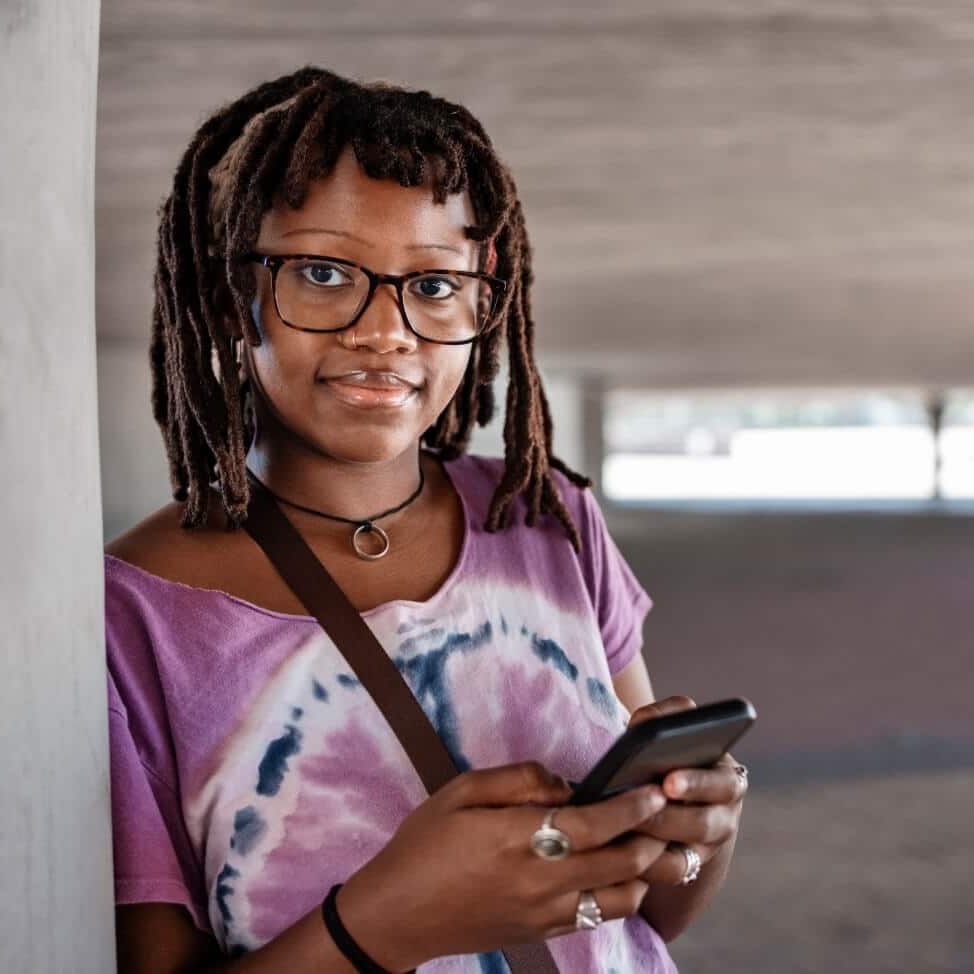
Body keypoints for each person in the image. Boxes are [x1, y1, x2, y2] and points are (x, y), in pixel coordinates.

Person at [105, 66, 747, 974]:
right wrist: (386, 923)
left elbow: (644, 917)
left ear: (485, 299)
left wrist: (697, 830)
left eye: (434, 286)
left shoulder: (548, 521)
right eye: (324, 273)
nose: (388, 331)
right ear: (228, 296)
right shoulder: (131, 620)